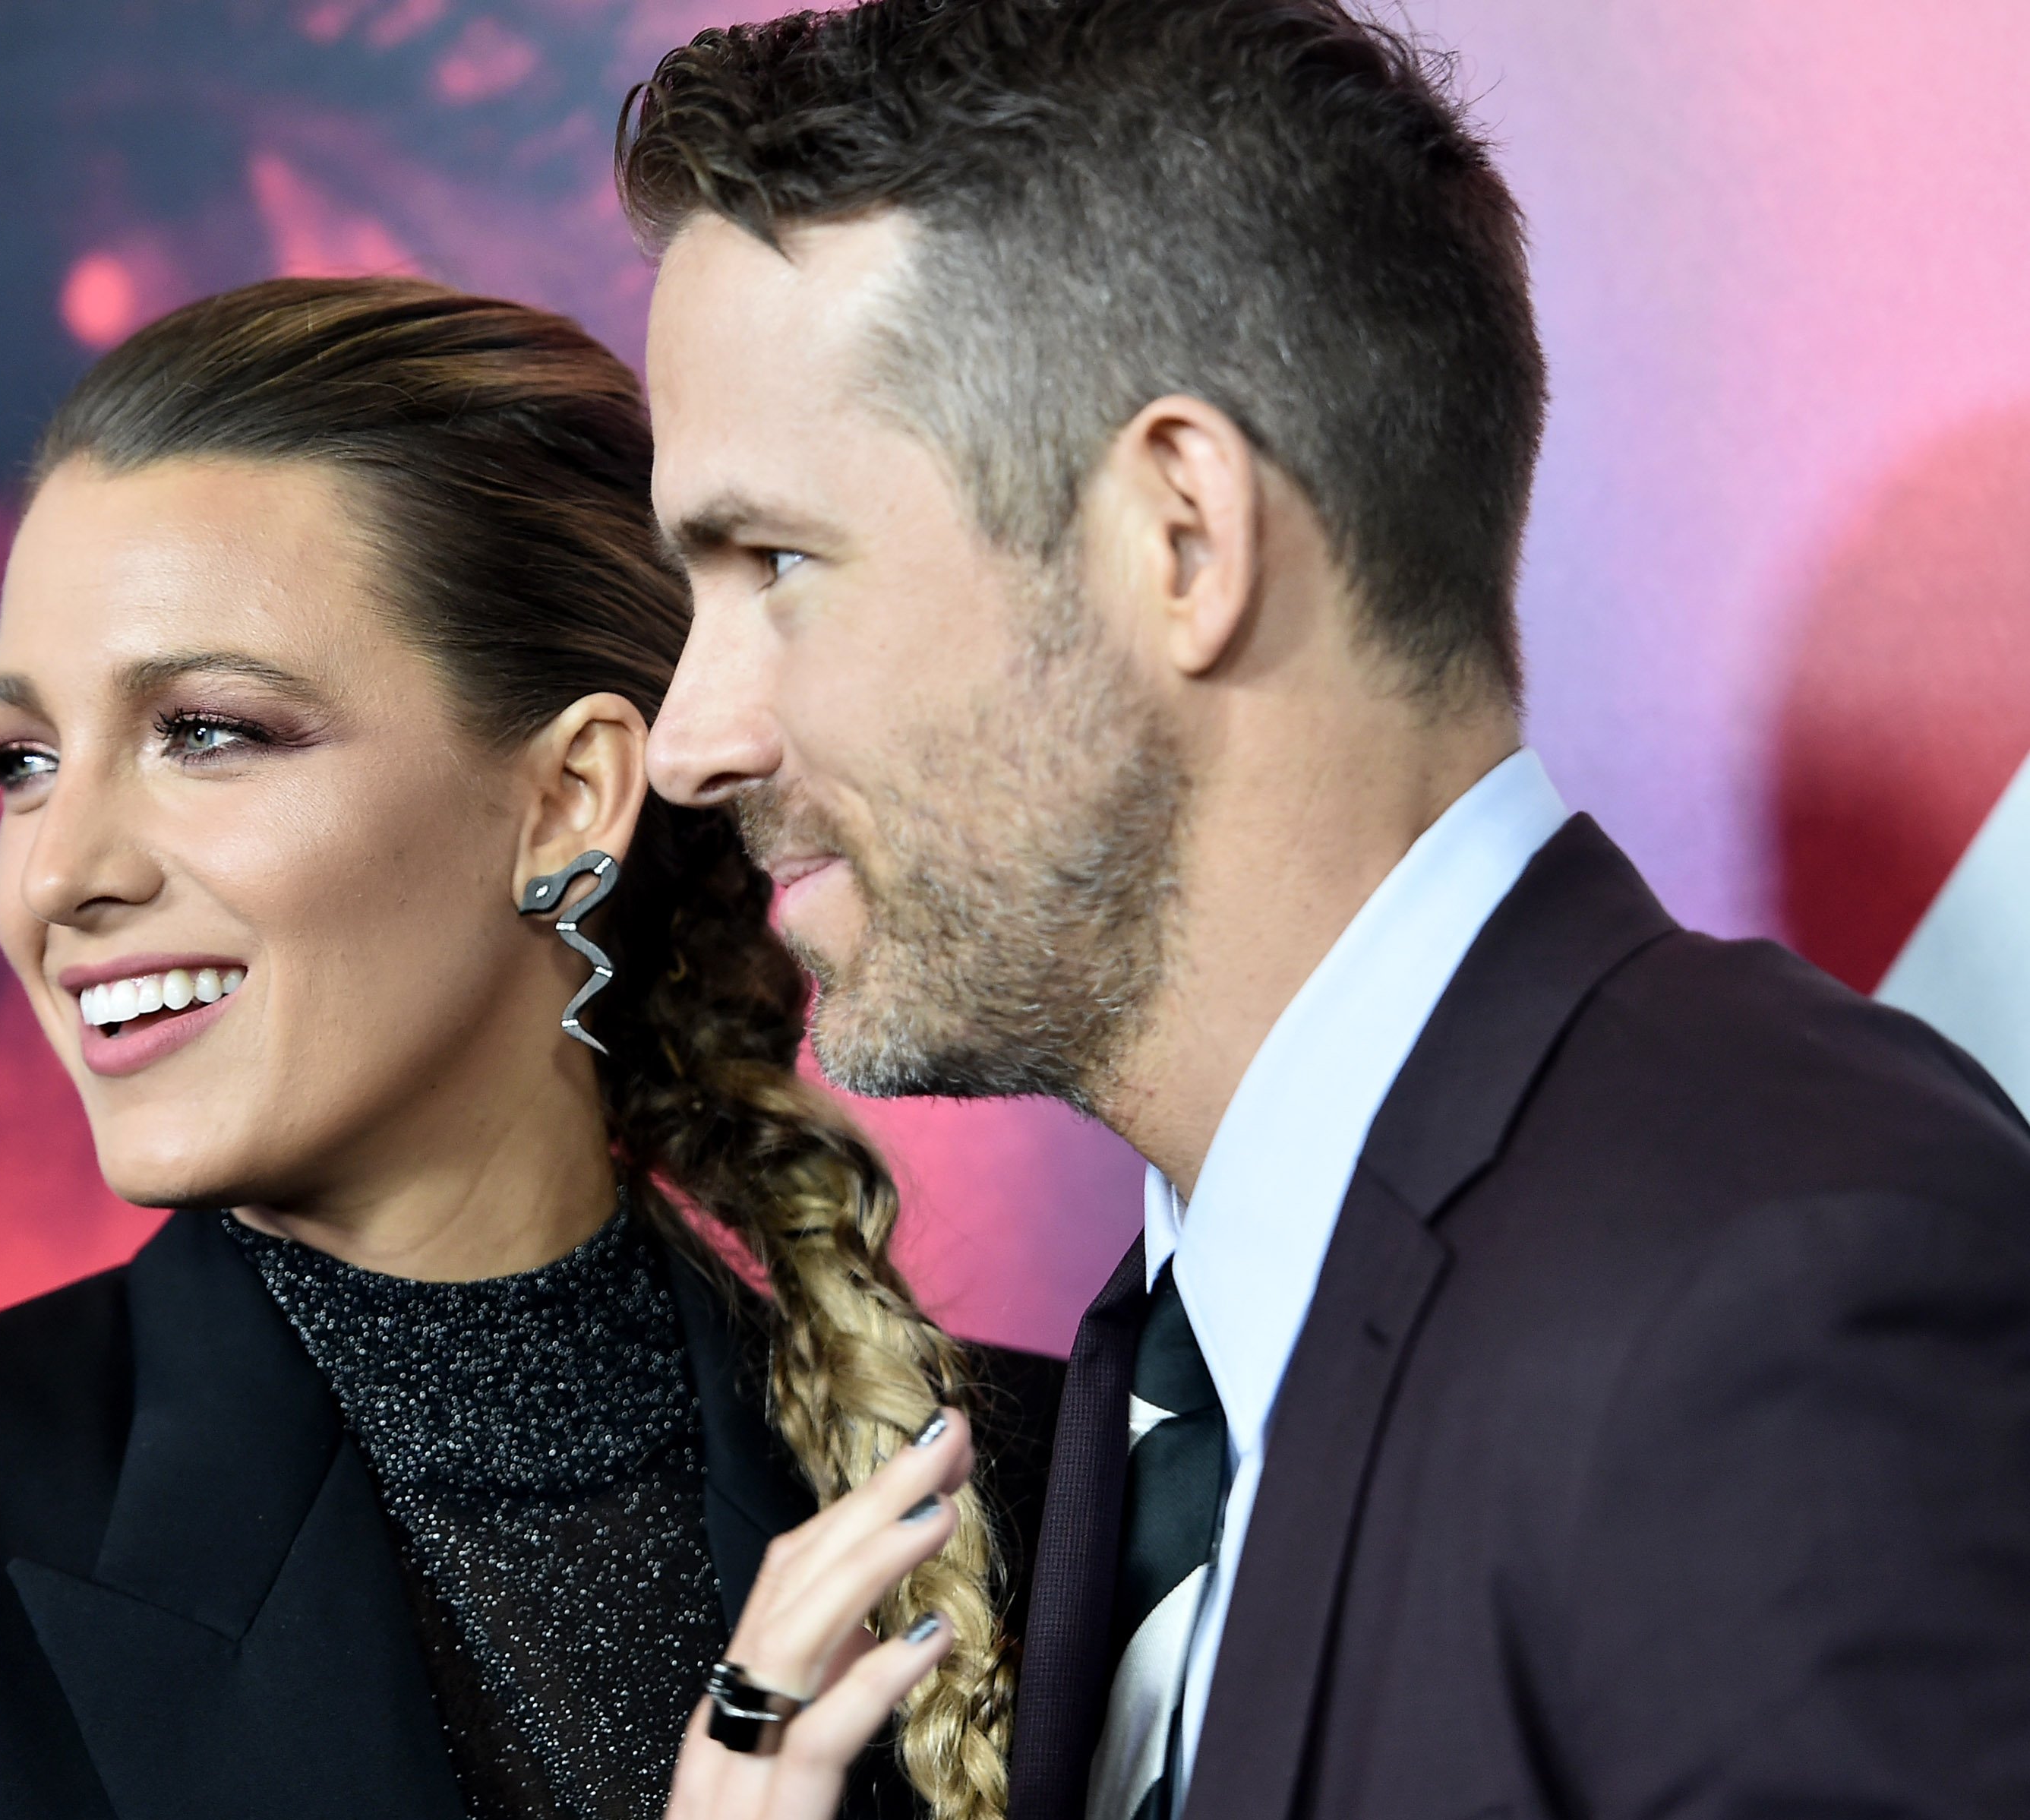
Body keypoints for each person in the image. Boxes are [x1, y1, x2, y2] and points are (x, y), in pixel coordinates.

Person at [613, 3, 2030, 1818]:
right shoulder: (1168, 1362)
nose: (690, 738)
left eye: (778, 564)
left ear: (1180, 538)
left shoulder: (1774, 1290)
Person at [0, 278, 1062, 1820]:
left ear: (567, 800)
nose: (58, 870)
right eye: (23, 761)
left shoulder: (1059, 1484)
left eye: (207, 731)